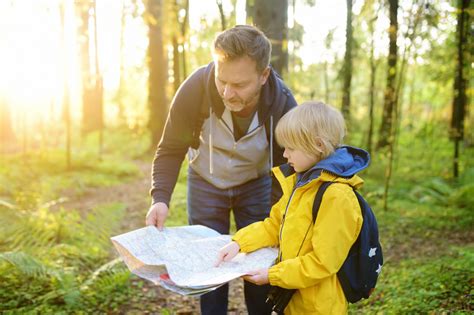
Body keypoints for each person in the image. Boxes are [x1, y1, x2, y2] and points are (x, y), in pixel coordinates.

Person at [145, 25, 297, 315]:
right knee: (208, 266)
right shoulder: (195, 89)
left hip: (256, 185)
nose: (228, 92)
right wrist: (160, 197)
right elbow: (170, 148)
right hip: (205, 182)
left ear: (263, 76)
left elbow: (288, 169)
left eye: (239, 85)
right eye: (222, 79)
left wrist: (280, 219)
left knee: (258, 262)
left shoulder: (282, 104)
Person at [216, 101, 371, 314]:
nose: (285, 155)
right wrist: (239, 244)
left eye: (291, 148)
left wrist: (272, 275)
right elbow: (273, 226)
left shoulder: (337, 197)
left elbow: (323, 262)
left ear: (317, 145)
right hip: (293, 298)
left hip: (318, 307)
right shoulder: (301, 185)